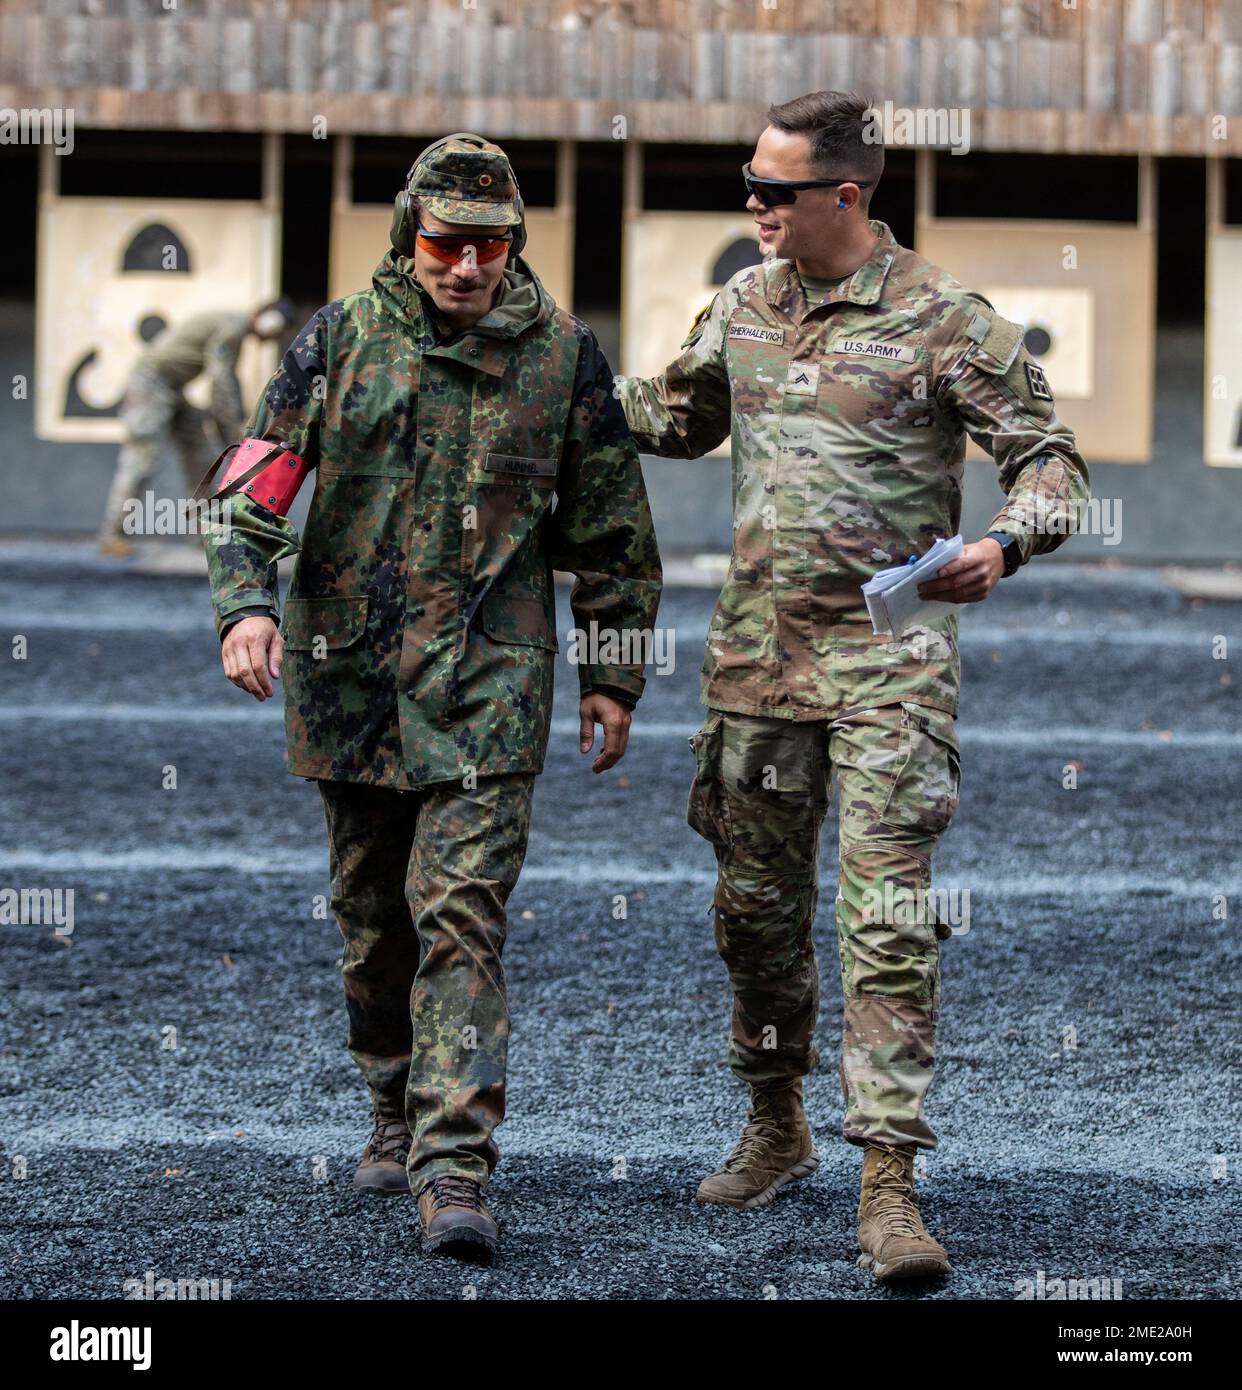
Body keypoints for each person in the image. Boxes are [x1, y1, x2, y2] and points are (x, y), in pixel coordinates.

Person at [616, 90, 1089, 1282]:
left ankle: (890, 1184)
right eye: (749, 184)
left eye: (774, 190)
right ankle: (778, 1123)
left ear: (846, 194)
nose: (753, 205)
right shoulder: (742, 304)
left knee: (885, 921)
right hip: (754, 668)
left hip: (892, 667)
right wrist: (552, 385)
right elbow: (675, 418)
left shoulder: (944, 319)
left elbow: (1050, 458)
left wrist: (1007, 540)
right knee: (757, 920)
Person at [202, 134, 661, 1265]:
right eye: (445, 244)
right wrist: (243, 605)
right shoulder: (339, 343)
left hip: (487, 694)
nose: (466, 266)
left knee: (461, 918)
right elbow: (254, 482)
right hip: (349, 682)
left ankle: (455, 1167)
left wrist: (611, 673)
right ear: (408, 241)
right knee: (372, 926)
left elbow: (611, 532)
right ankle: (391, 1104)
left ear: (514, 244)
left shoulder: (562, 360)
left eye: (489, 245)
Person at [98, 299, 294, 555]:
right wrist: (232, 429)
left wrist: (231, 429)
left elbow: (227, 381)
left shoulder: (233, 327)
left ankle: (202, 534)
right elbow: (221, 381)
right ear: (269, 321)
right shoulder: (233, 326)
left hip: (173, 389)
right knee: (140, 461)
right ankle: (112, 535)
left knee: (200, 459)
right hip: (151, 386)